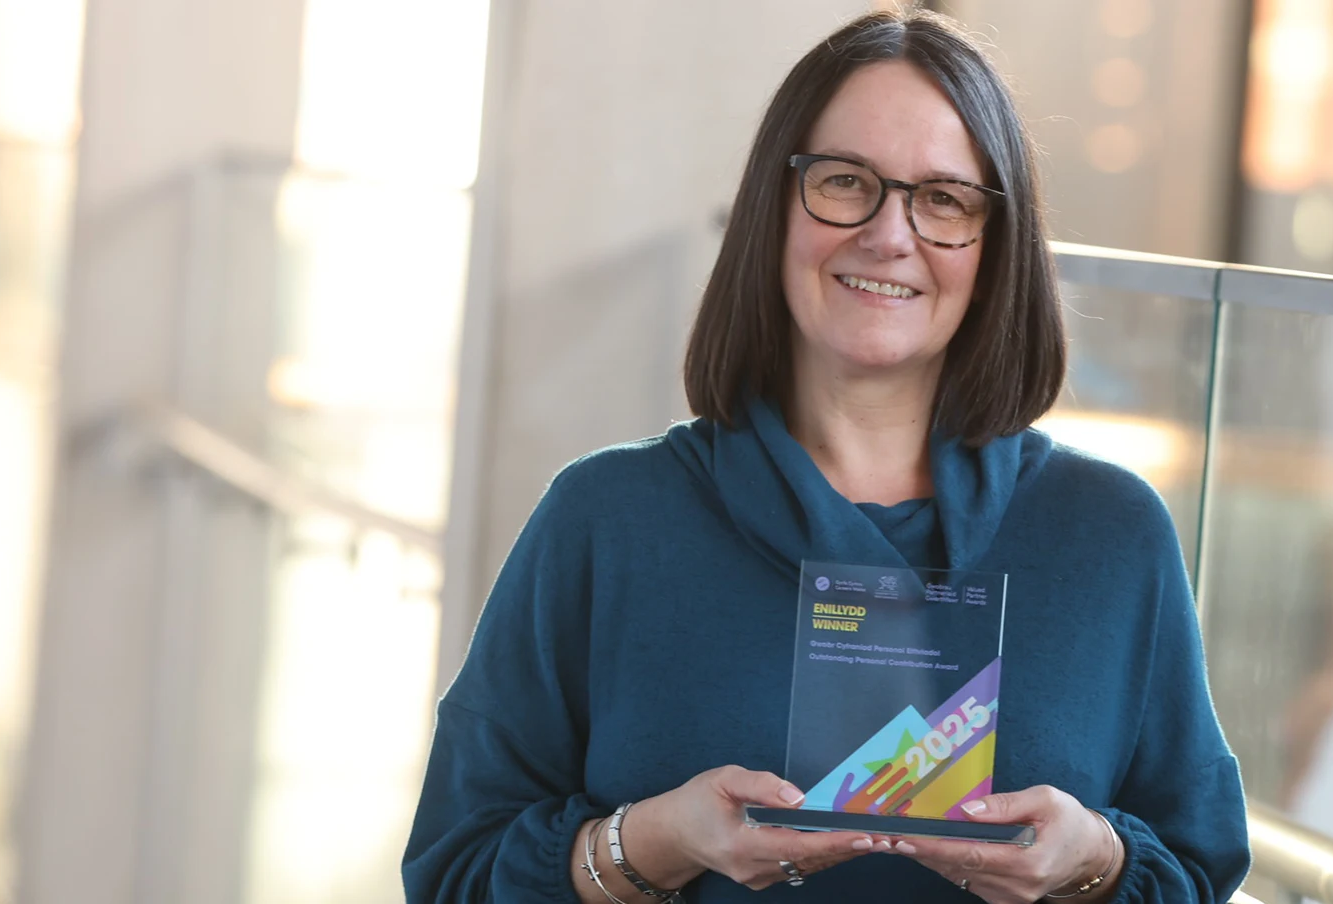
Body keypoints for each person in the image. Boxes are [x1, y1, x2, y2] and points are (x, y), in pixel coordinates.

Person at [402, 10, 1250, 903]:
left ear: (995, 247)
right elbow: (453, 873)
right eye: (847, 182)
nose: (890, 235)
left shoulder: (1108, 537)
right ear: (775, 206)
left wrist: (1095, 862)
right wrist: (653, 840)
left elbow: (1199, 869)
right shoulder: (608, 519)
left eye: (944, 199)